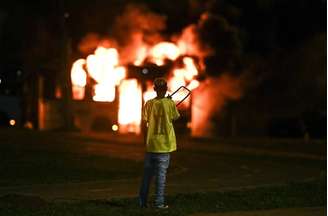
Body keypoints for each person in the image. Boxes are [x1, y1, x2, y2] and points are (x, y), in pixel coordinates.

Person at [139, 77, 180, 209]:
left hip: (151, 145)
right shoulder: (170, 103)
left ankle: (142, 202)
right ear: (166, 89)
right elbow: (175, 117)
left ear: (154, 89)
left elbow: (145, 121)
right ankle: (159, 203)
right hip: (165, 146)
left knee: (146, 177)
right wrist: (170, 103)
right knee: (161, 178)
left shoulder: (148, 103)